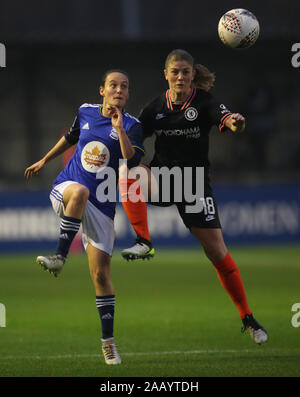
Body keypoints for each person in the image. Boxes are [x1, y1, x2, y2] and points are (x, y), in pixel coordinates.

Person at [120, 49, 268, 345]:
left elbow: (227, 119)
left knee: (217, 254)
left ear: (192, 75)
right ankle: (144, 242)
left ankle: (248, 318)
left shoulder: (204, 103)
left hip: (195, 187)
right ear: (166, 74)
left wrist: (235, 122)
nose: (180, 76)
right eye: (175, 71)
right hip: (163, 180)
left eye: (185, 71)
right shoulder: (154, 108)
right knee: (127, 173)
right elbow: (133, 147)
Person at [24, 69, 146, 365]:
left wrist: (118, 130)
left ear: (128, 94)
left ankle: (108, 343)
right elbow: (71, 136)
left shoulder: (132, 126)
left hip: (103, 206)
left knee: (101, 275)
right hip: (67, 189)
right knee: (79, 192)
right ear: (102, 90)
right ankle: (59, 257)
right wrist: (44, 159)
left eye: (124, 87)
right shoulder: (85, 111)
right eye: (113, 85)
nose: (119, 90)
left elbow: (132, 160)